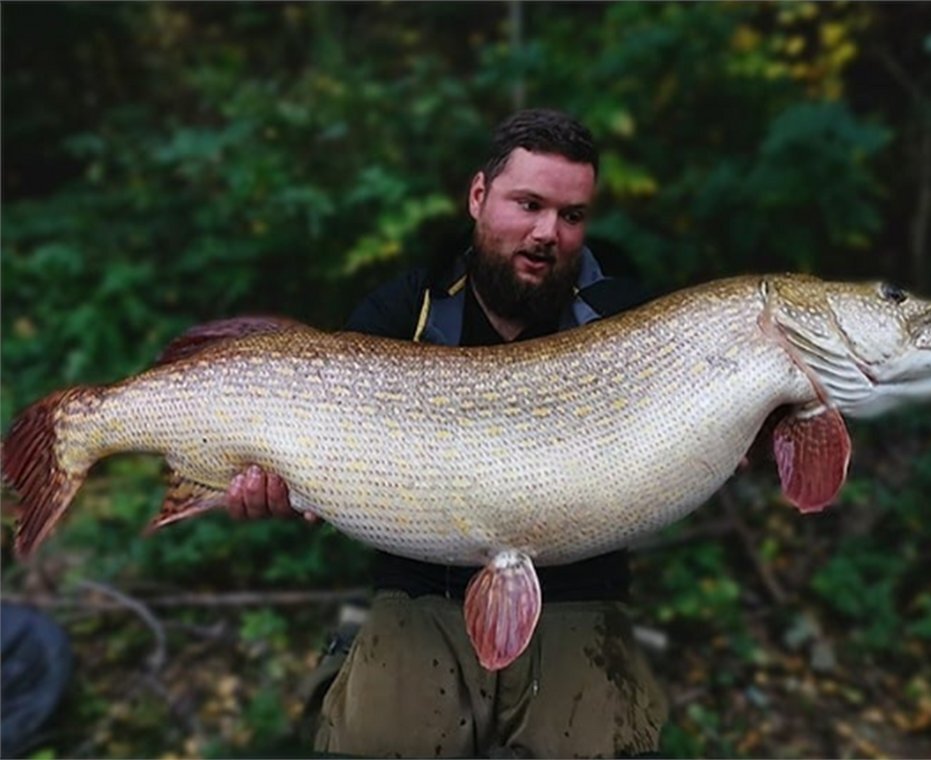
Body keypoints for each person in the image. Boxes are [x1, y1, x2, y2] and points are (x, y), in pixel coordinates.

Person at [225, 109, 668, 757]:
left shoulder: (627, 320)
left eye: (571, 216)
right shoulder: (401, 311)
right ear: (479, 196)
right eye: (529, 204)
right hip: (421, 587)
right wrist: (269, 483)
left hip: (580, 593)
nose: (549, 232)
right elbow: (320, 460)